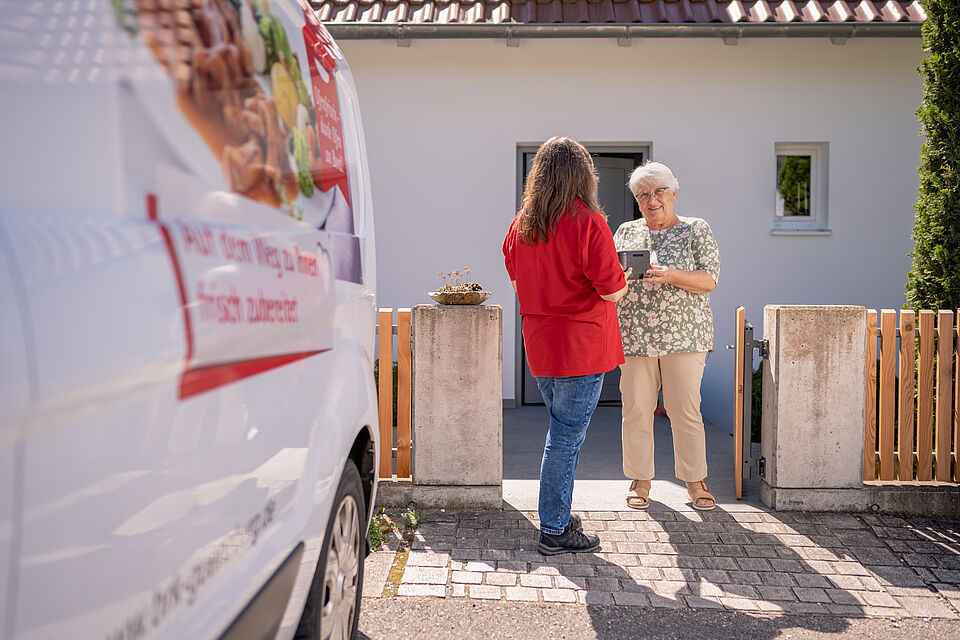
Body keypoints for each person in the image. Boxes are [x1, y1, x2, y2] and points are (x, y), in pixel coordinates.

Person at [503, 136, 628, 555]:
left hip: (541, 346)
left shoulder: (522, 224)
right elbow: (611, 292)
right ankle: (554, 528)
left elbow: (520, 284)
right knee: (566, 437)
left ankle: (557, 512)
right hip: (582, 346)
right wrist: (625, 277)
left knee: (561, 432)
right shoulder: (588, 222)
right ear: (582, 176)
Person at [613, 161, 721, 511]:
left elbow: (709, 280)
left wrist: (670, 275)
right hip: (635, 336)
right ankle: (640, 481)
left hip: (684, 337)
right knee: (636, 410)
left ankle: (695, 481)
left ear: (674, 193)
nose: (651, 199)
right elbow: (608, 278)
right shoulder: (626, 231)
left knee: (684, 410)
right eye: (643, 194)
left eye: (659, 191)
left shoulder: (695, 229)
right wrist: (623, 276)